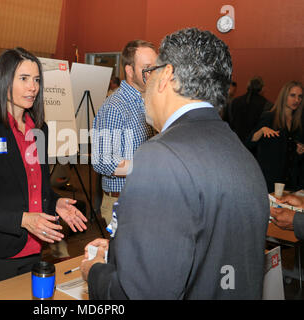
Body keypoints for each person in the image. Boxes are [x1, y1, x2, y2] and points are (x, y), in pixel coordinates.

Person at [81, 28, 270, 299]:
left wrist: (97, 272)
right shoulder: (240, 152)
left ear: (166, 75)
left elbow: (143, 292)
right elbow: (199, 249)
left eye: (152, 70)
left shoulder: (160, 157)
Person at [0, 48, 88, 290]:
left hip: (34, 250)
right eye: (24, 79)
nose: (33, 87)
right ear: (4, 81)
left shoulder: (40, 129)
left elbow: (36, 187)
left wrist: (54, 202)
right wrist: (23, 219)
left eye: (36, 80)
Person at [91, 40, 156, 225]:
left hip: (145, 197)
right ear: (129, 71)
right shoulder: (115, 107)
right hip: (122, 202)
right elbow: (103, 161)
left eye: (155, 67)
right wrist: (149, 167)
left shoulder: (147, 102)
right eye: (147, 68)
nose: (153, 74)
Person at [246, 81, 304, 193]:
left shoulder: (298, 123)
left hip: (290, 183)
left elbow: (292, 156)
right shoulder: (269, 117)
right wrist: (261, 131)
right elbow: (248, 143)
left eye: (300, 97)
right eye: (292, 95)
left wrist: (299, 152)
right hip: (269, 182)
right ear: (284, 96)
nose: (297, 100)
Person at [229, 77, 272, 145]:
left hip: (236, 142)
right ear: (262, 89)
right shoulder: (267, 105)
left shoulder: (235, 101)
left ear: (248, 86)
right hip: (255, 145)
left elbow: (231, 122)